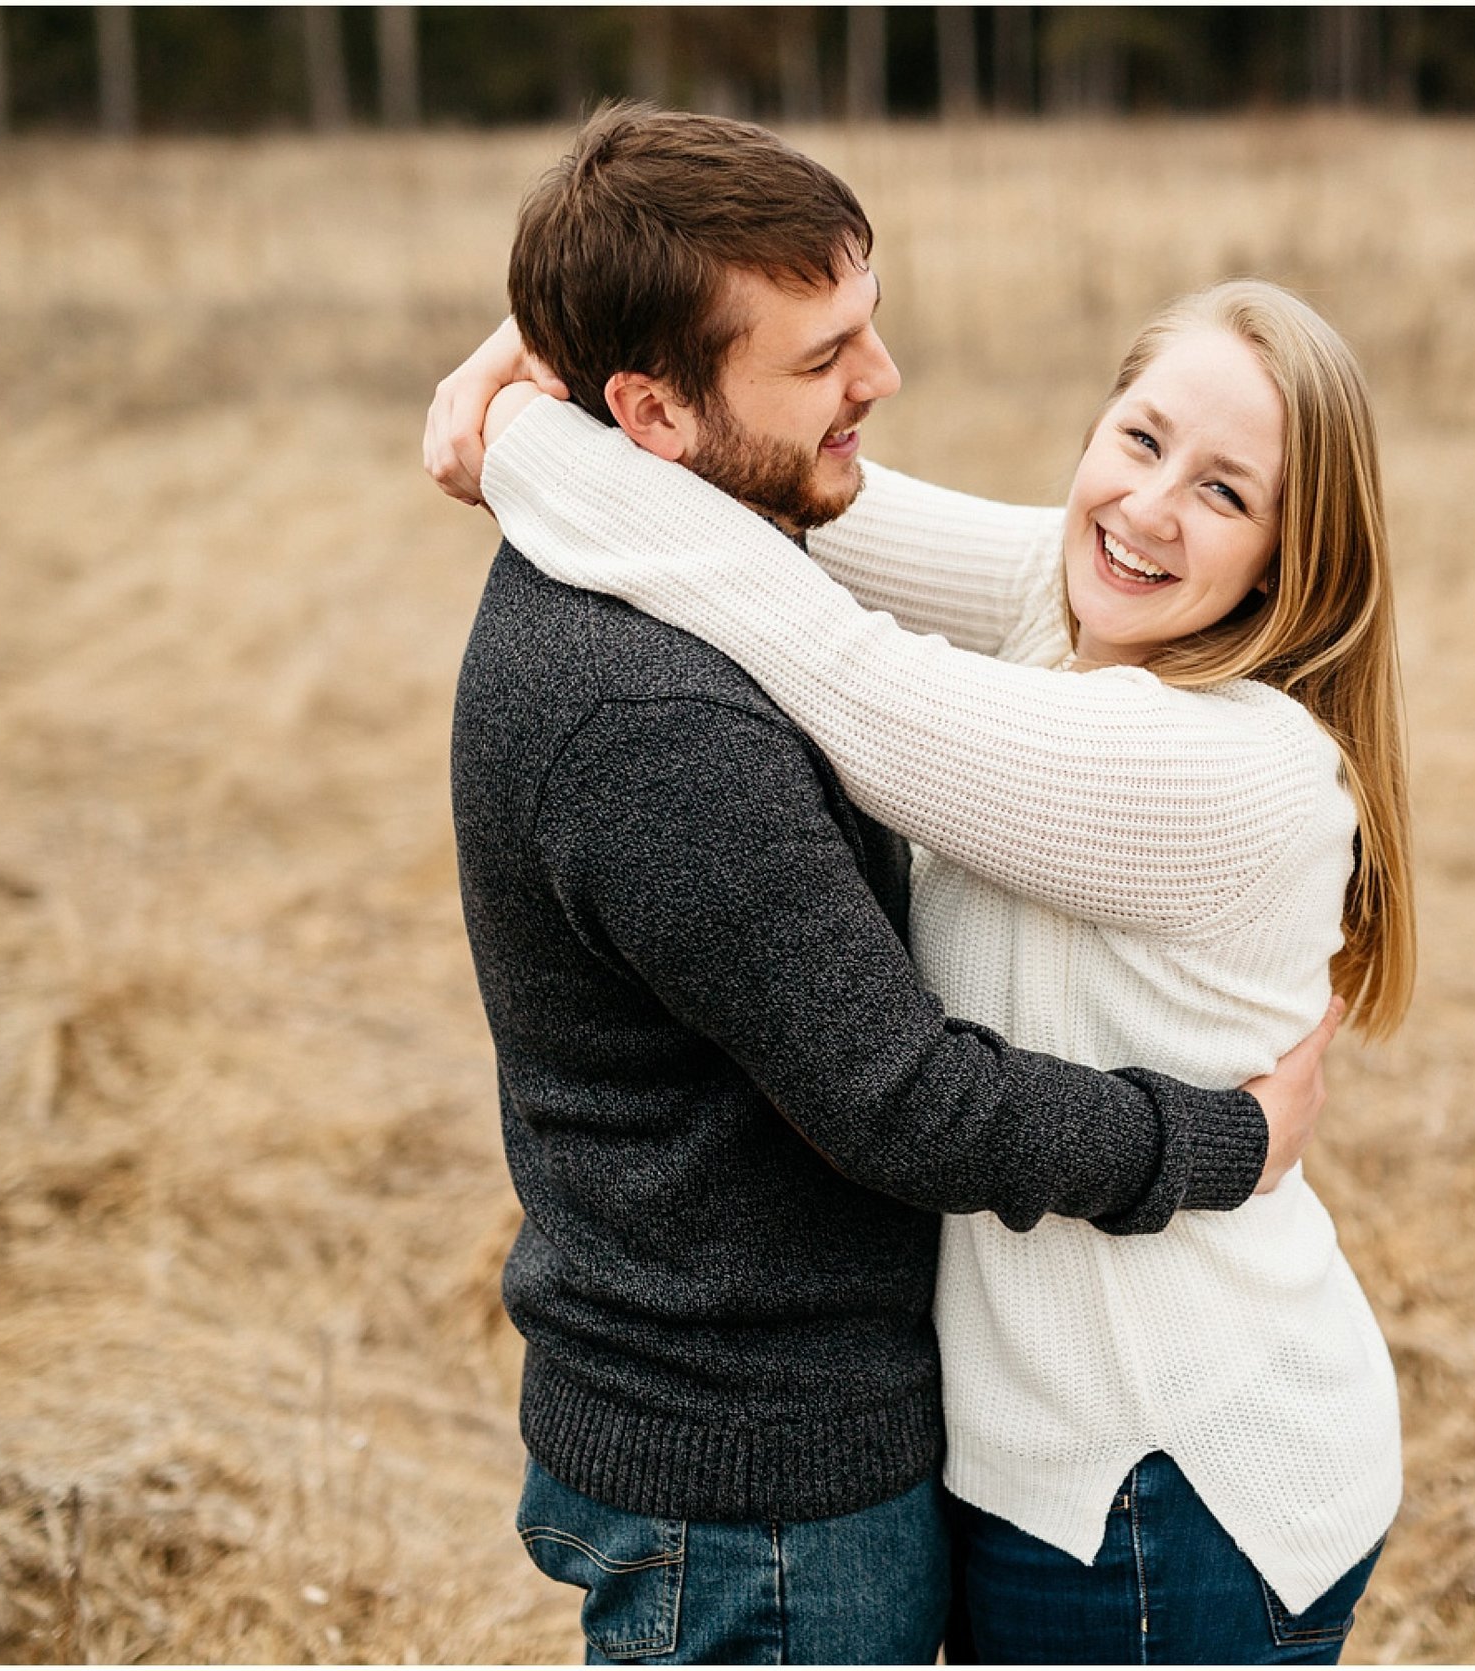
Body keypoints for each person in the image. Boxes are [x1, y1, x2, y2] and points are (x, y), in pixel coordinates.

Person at [434, 105, 1340, 1667]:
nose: (883, 381)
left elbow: (828, 615)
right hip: (763, 1467)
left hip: (1146, 1454)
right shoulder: (660, 706)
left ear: (1290, 551)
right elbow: (905, 1100)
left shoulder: (1163, 701)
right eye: (822, 354)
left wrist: (529, 408)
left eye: (1227, 490)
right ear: (651, 414)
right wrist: (1224, 1137)